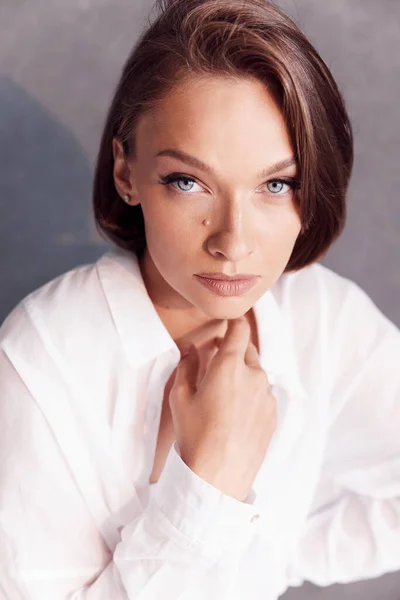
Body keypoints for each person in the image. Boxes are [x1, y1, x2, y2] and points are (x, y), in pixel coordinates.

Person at [0, 0, 399, 598]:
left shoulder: (322, 316)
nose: (233, 242)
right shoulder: (39, 366)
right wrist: (207, 490)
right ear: (125, 172)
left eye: (276, 184)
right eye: (188, 182)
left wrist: (264, 562)